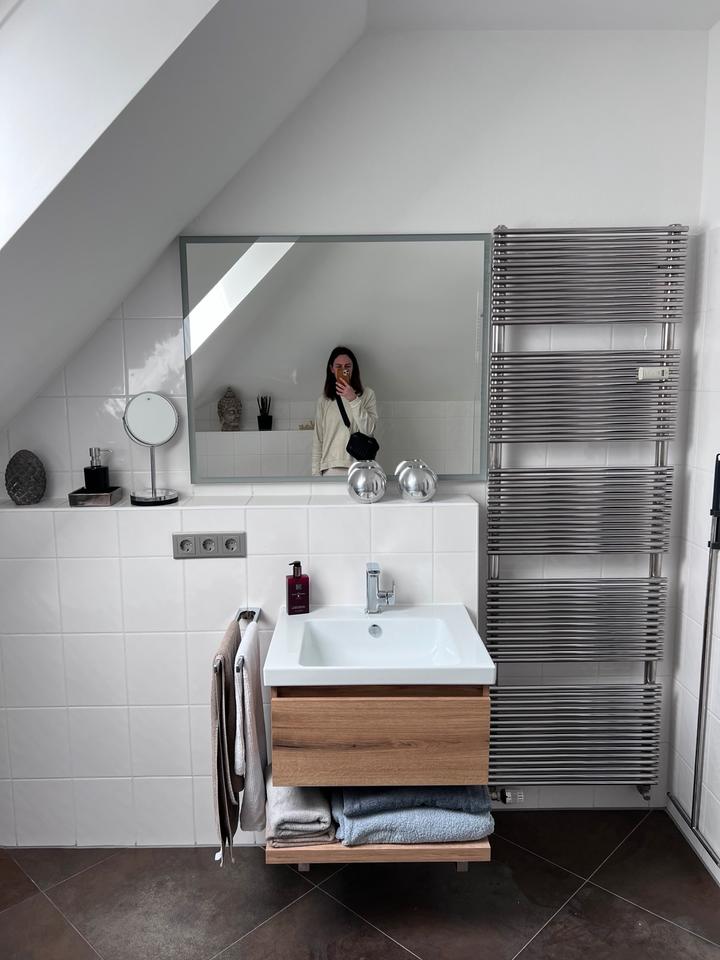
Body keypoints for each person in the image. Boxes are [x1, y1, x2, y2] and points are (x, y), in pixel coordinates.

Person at [312, 346, 377, 476]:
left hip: (360, 467)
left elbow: (369, 430)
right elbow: (318, 439)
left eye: (347, 366)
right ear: (331, 369)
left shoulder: (367, 394)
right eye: (339, 367)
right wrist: (315, 475)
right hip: (331, 467)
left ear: (353, 368)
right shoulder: (324, 400)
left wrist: (353, 399)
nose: (344, 370)